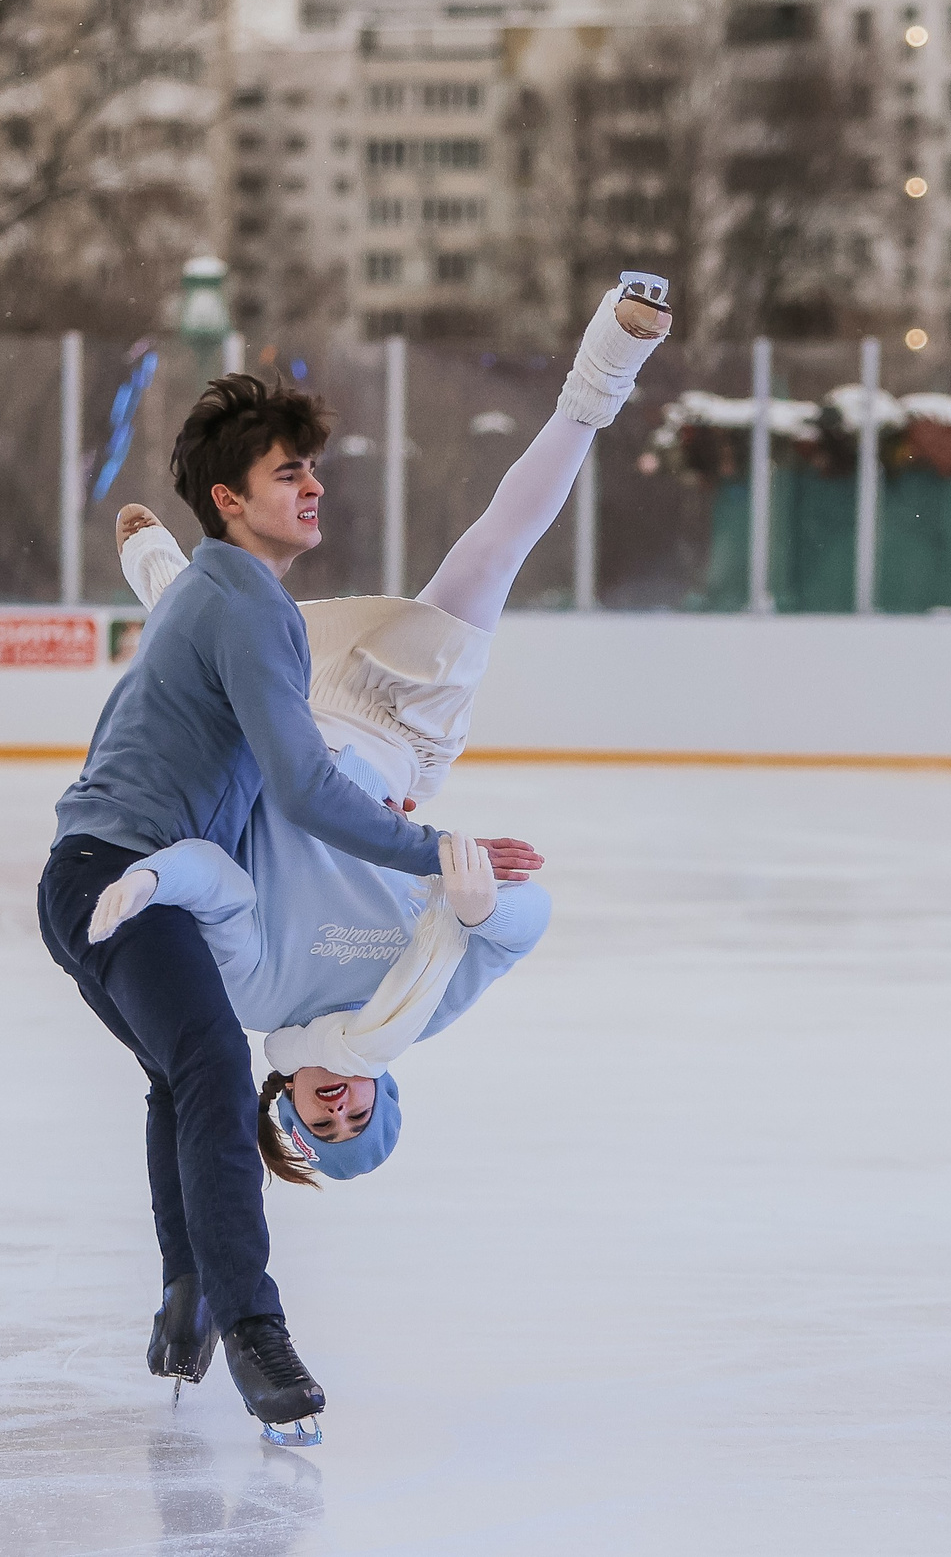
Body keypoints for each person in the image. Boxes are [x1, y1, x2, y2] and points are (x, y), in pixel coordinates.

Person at [78, 279, 671, 1409]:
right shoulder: (421, 994)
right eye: (359, 1112)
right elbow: (521, 927)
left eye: (318, 1120)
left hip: (289, 723)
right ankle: (605, 369)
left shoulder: (248, 995)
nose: (337, 1099)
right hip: (398, 725)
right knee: (491, 556)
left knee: (198, 641)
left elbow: (222, 843)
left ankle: (161, 569)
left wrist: (146, 872)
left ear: (282, 1107)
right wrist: (482, 892)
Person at [34, 371, 539, 1441]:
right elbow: (305, 787)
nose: (313, 487)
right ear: (229, 497)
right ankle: (255, 1330)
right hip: (112, 870)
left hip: (104, 871)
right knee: (210, 1061)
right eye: (287, 471)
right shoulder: (243, 604)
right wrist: (434, 842)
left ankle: (191, 1291)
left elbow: (290, 776)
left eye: (311, 467)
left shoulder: (226, 594)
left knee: (186, 1072)